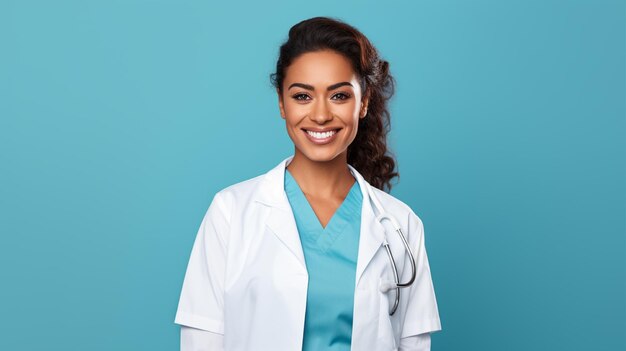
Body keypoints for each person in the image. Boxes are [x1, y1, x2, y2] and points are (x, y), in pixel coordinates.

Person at [174, 16, 442, 350]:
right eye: (302, 96)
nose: (320, 115)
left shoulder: (401, 226)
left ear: (365, 102)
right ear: (281, 102)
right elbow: (202, 341)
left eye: (339, 96)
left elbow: (413, 344)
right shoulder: (230, 213)